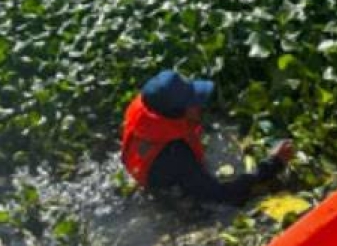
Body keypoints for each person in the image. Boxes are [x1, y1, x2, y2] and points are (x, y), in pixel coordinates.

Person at [121, 69, 294, 203]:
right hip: (165, 184)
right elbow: (220, 195)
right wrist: (273, 164)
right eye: (193, 103)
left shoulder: (151, 109)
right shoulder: (176, 156)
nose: (199, 105)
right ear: (177, 113)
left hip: (146, 163)